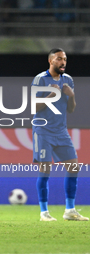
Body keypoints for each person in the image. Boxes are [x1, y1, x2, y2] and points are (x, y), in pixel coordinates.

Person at [31, 48, 88, 222]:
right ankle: (44, 213)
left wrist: (71, 96)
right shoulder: (40, 79)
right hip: (42, 131)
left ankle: (69, 210)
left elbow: (71, 109)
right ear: (50, 61)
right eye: (59, 59)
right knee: (45, 171)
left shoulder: (68, 80)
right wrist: (50, 94)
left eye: (64, 59)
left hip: (61, 131)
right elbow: (33, 107)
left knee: (74, 168)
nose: (63, 62)